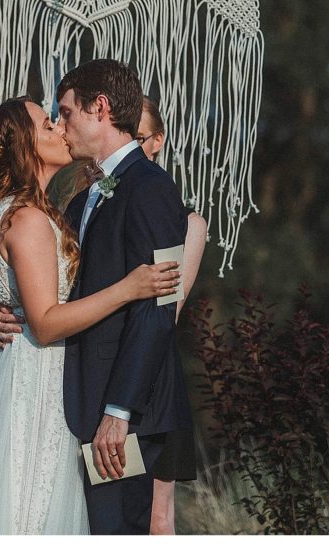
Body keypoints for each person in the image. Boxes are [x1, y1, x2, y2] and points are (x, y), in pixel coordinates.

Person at [0, 96, 180, 535]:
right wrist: (129, 288)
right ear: (27, 148)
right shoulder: (28, 219)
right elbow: (44, 322)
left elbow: (23, 304)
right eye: (47, 125)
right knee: (30, 511)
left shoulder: (40, 212)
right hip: (39, 387)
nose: (60, 128)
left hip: (36, 376)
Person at [0, 60, 193, 534]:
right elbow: (51, 295)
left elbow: (156, 311)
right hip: (79, 407)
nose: (60, 126)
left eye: (65, 112)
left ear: (99, 108)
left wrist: (119, 414)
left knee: (120, 528)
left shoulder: (152, 188)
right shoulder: (81, 199)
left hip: (127, 415)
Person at [137, 96, 207, 535]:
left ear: (157, 142)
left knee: (157, 515)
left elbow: (169, 308)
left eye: (138, 138)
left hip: (152, 377)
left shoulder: (188, 224)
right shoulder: (83, 205)